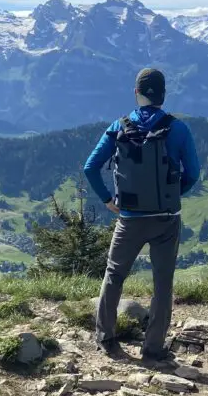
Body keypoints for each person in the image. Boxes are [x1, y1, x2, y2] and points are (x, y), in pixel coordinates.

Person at [83, 68, 200, 361]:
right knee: (163, 281)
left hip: (130, 218)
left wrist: (109, 199)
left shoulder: (118, 126)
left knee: (114, 274)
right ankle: (154, 348)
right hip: (166, 218)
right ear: (163, 95)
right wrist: (171, 195)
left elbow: (90, 167)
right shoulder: (179, 129)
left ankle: (106, 339)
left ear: (136, 93)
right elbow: (193, 174)